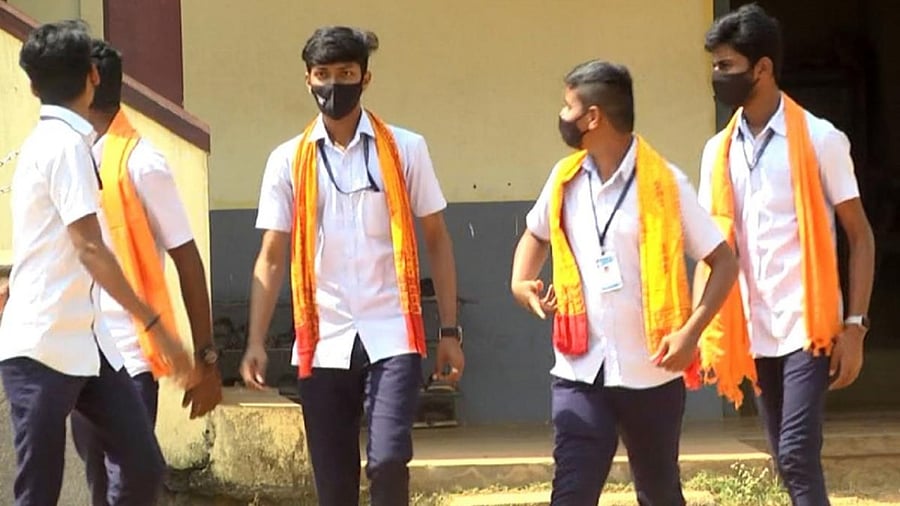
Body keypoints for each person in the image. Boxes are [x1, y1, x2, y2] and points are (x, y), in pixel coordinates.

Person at [239, 26, 464, 506]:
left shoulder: (406, 148)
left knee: (386, 461)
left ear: (366, 78)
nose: (333, 85)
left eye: (345, 73)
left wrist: (449, 330)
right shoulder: (287, 160)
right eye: (323, 74)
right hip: (321, 338)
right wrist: (256, 341)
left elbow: (438, 241)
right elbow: (272, 255)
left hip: (393, 332)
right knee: (333, 482)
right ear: (307, 80)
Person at [510, 60, 739, 506]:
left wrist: (692, 332)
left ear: (592, 117)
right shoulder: (564, 179)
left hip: (651, 372)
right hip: (579, 370)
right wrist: (521, 282)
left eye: (568, 106)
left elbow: (724, 262)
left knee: (658, 493)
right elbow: (535, 235)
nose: (563, 116)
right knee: (571, 493)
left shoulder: (667, 184)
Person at [0, 20, 194, 506]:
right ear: (93, 75)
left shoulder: (66, 142)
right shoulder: (63, 145)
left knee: (143, 465)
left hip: (90, 344)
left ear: (31, 85)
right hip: (43, 344)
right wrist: (155, 323)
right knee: (39, 489)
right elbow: (89, 247)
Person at [696, 5, 876, 505]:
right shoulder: (718, 151)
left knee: (796, 452)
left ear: (763, 68)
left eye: (726, 66)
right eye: (715, 66)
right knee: (783, 456)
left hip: (807, 326)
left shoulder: (820, 139)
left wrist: (855, 325)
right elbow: (712, 249)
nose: (717, 77)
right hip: (751, 327)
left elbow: (859, 236)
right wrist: (701, 329)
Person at [67, 39, 224, 506]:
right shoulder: (65, 160)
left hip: (129, 361)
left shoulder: (142, 162)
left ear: (89, 83)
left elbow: (188, 259)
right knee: (100, 490)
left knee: (128, 490)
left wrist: (207, 360)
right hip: (77, 357)